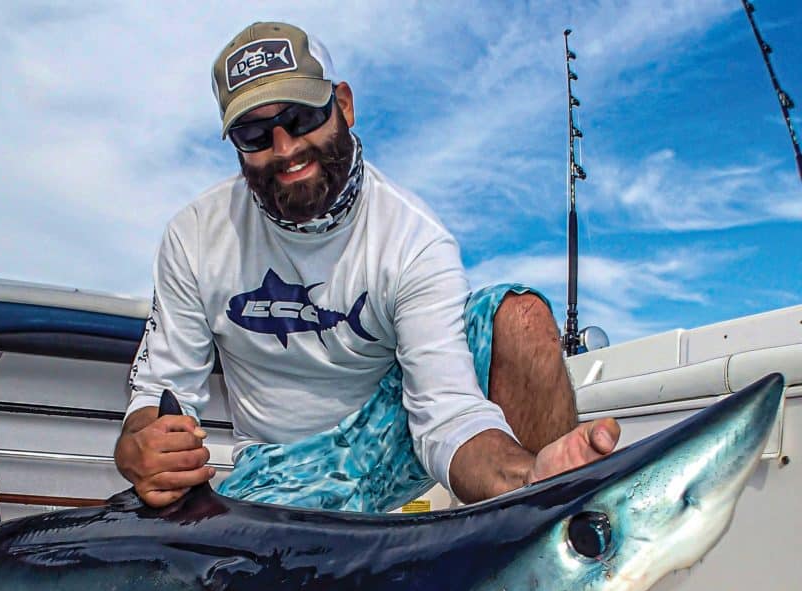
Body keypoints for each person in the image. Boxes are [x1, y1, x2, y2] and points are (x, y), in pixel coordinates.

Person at [115, 21, 619, 511]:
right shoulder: (194, 236)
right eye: (255, 134)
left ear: (344, 105)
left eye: (302, 119)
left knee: (521, 317)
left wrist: (524, 476)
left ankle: (548, 521)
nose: (286, 149)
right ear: (235, 146)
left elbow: (446, 416)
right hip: (278, 469)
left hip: (394, 438)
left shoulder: (414, 237)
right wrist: (138, 446)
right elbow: (162, 391)